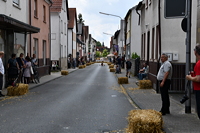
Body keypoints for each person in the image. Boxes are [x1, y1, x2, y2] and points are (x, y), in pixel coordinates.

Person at [186, 44, 200, 119]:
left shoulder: (198, 64)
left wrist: (190, 77)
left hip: (198, 89)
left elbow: (198, 79)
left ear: (196, 52)